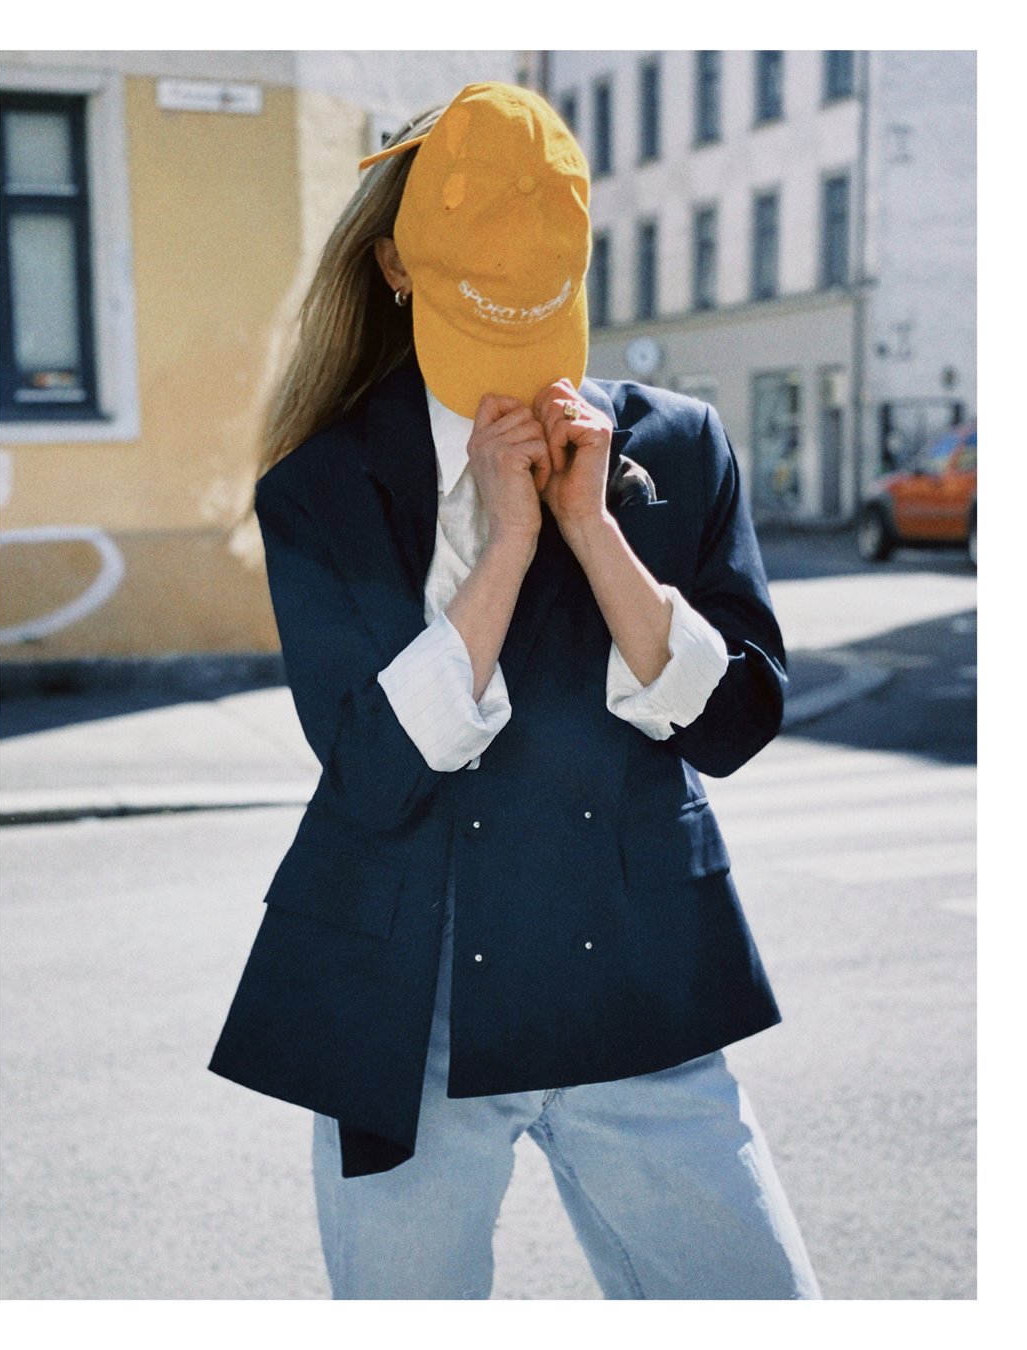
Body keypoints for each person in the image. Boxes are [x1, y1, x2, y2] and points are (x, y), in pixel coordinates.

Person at [209, 81, 821, 1301]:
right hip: (407, 1016)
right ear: (395, 268)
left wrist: (594, 531)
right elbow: (375, 772)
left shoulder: (678, 445)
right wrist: (505, 549)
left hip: (640, 986)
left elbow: (736, 726)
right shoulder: (322, 486)